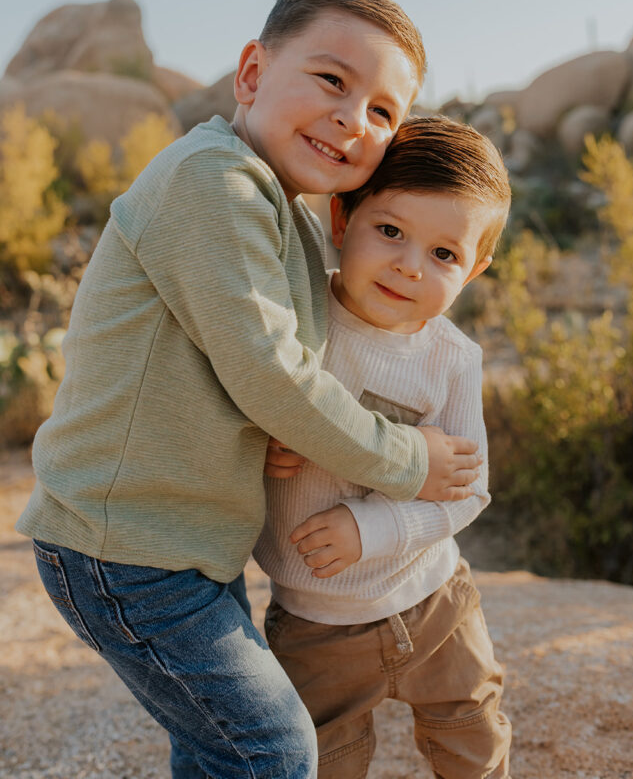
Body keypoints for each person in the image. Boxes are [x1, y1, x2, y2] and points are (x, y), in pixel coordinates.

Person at [16, 0, 483, 779]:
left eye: (382, 111)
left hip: (183, 543)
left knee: (222, 742)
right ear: (252, 74)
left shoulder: (289, 210)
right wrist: (408, 461)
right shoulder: (213, 182)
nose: (351, 118)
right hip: (123, 543)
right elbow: (270, 370)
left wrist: (272, 436)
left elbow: (260, 366)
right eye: (332, 80)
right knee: (268, 747)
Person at [257, 115, 513, 779]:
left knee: (472, 741)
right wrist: (262, 449)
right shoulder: (298, 320)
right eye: (390, 232)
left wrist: (372, 527)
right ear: (342, 222)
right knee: (325, 760)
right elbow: (238, 406)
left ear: (474, 268)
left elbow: (469, 487)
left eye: (443, 254)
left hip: (433, 603)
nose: (408, 266)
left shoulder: (452, 359)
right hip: (314, 624)